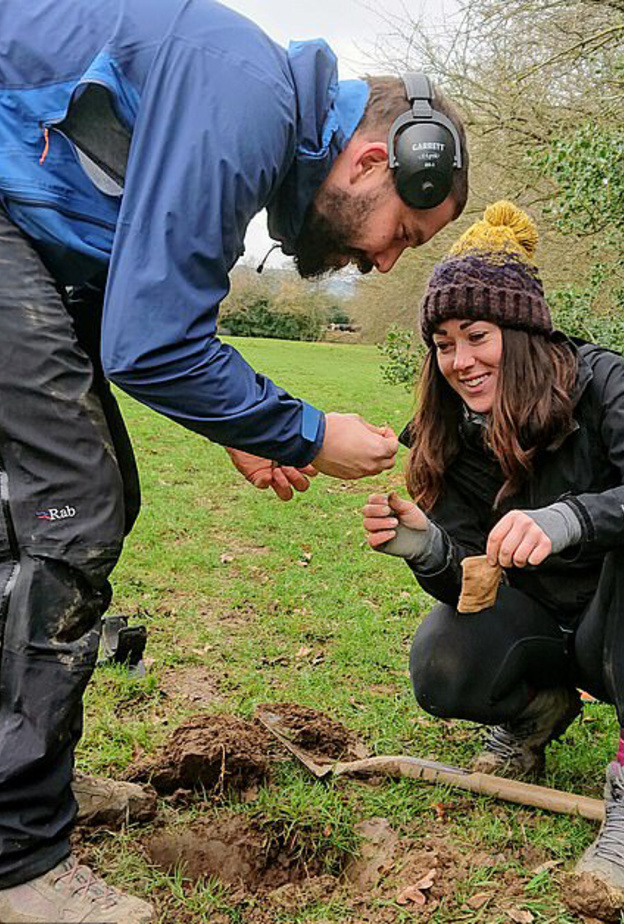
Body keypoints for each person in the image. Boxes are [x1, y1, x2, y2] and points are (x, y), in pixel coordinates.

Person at [0, 0, 468, 920]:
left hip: (28, 241)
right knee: (72, 507)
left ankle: (26, 778)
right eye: (403, 235)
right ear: (374, 162)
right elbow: (149, 341)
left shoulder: (246, 106)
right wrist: (307, 432)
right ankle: (17, 856)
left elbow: (131, 294)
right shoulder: (246, 93)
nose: (383, 266)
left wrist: (237, 426)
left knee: (64, 505)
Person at [363, 201, 624, 896]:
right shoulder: (450, 430)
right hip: (548, 628)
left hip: (614, 620)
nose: (461, 361)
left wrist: (572, 518)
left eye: (477, 336)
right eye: (444, 343)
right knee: (443, 662)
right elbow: (473, 586)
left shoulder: (604, 385)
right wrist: (429, 549)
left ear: (525, 331)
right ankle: (536, 712)